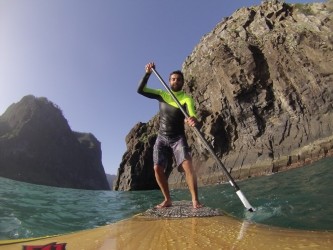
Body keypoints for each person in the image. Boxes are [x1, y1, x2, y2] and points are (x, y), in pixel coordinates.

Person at [137, 62, 202, 209]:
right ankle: (167, 199)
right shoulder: (162, 94)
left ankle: (195, 200)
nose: (176, 81)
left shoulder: (187, 99)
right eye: (173, 79)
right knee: (157, 168)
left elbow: (193, 116)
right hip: (162, 137)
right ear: (169, 81)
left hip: (178, 138)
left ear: (182, 82)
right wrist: (147, 73)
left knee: (188, 166)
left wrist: (193, 120)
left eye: (179, 79)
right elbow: (140, 90)